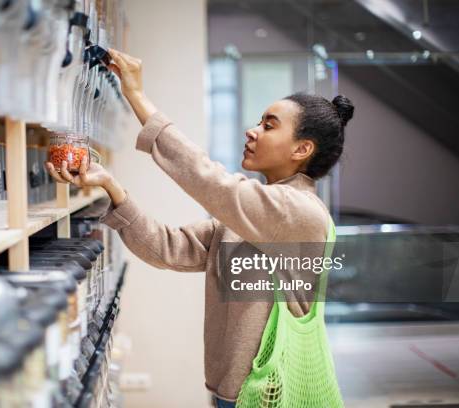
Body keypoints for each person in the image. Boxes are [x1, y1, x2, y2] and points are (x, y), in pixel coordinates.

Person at [46, 48, 354, 407]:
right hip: (236, 391)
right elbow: (168, 248)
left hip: (272, 391)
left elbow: (212, 182)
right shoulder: (251, 215)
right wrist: (112, 188)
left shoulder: (300, 212)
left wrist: (137, 96)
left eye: (269, 126)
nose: (252, 131)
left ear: (302, 148)